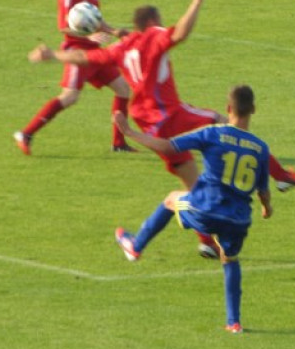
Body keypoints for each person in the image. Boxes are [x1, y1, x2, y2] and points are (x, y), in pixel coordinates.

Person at [28, 0, 295, 256]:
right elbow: (180, 33)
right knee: (226, 123)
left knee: (193, 186)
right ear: (153, 22)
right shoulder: (153, 36)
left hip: (149, 123)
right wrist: (196, 1)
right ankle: (282, 176)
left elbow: (85, 58)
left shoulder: (121, 48)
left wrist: (52, 55)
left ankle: (197, 242)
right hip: (170, 115)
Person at [114, 84, 272, 335]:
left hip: (206, 209)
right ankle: (234, 322)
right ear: (253, 109)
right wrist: (266, 208)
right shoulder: (260, 147)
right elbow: (263, 190)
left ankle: (135, 246)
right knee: (229, 260)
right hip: (238, 220)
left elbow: (167, 147)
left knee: (172, 199)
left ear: (228, 108)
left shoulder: (213, 133)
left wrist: (130, 132)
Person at [13, 0, 135, 156]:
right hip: (77, 51)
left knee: (124, 89)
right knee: (70, 97)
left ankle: (118, 143)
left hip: (95, 50)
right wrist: (86, 37)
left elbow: (94, 19)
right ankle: (26, 134)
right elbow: (63, 26)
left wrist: (114, 31)